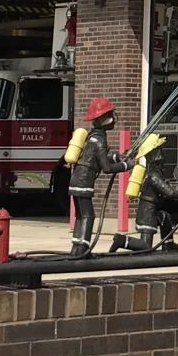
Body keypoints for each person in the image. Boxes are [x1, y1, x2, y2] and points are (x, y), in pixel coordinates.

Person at [109, 133, 178, 253]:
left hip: (151, 210)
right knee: (146, 247)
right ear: (155, 154)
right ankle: (121, 240)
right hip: (147, 213)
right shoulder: (154, 176)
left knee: (165, 217)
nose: (163, 153)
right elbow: (169, 192)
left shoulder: (156, 172)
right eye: (160, 150)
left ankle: (168, 244)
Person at [62, 97, 129, 258]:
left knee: (80, 215)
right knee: (88, 216)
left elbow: (100, 158)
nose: (114, 119)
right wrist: (127, 166)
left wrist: (117, 157)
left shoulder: (92, 136)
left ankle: (76, 249)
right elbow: (106, 168)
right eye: (111, 115)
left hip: (75, 180)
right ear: (104, 119)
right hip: (84, 181)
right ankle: (83, 251)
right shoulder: (100, 139)